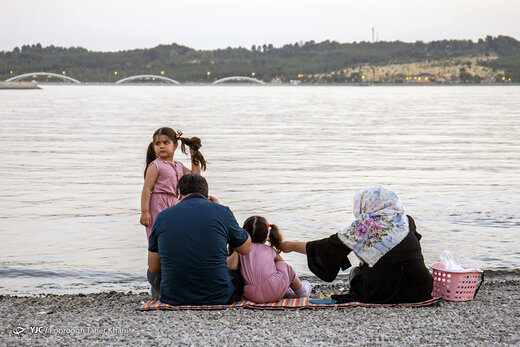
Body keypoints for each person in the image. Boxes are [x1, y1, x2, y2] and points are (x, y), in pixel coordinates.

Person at [281, 185, 433, 304]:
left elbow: (327, 248)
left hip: (382, 292)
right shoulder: (406, 221)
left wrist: (291, 246)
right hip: (421, 288)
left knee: (356, 272)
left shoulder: (365, 226)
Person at [147, 174, 251, 305]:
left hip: (173, 298)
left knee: (151, 274)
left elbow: (154, 267)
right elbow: (246, 248)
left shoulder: (162, 216)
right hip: (219, 297)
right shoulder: (222, 212)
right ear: (207, 196)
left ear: (179, 193)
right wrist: (220, 209)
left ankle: (163, 292)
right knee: (237, 271)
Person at [140, 127, 207, 239]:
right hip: (158, 203)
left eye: (166, 142)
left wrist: (193, 154)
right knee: (158, 237)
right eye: (157, 143)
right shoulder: (155, 166)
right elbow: (147, 189)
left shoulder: (179, 165)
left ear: (175, 145)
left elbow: (196, 176)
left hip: (175, 203)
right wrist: (145, 212)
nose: (161, 146)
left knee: (174, 237)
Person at [228, 216, 311, 303]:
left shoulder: (241, 251)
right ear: (266, 235)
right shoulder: (269, 250)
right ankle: (302, 292)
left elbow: (232, 266)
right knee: (284, 266)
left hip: (251, 294)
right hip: (275, 289)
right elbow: (283, 266)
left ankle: (286, 293)